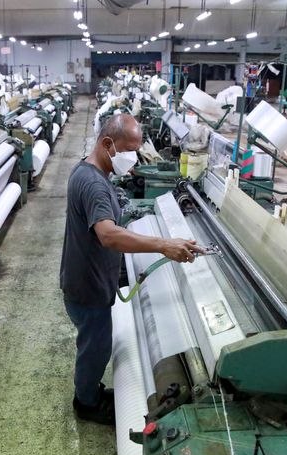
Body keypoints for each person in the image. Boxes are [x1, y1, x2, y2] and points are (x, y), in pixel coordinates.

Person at [60, 113, 203, 425]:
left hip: (87, 278)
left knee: (95, 344)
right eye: (130, 150)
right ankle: (86, 403)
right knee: (95, 349)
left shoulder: (90, 172)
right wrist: (164, 245)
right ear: (107, 143)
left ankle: (90, 392)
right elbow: (108, 235)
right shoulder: (94, 184)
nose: (134, 158)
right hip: (88, 286)